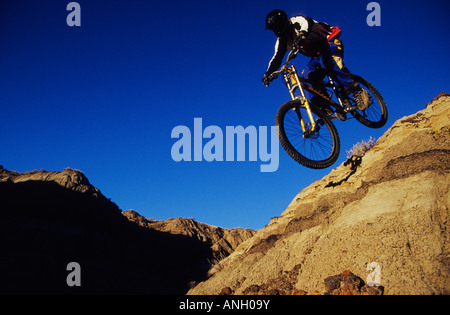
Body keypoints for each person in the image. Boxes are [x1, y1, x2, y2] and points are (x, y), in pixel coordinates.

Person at [262, 10, 367, 112]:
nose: (276, 30)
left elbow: (306, 22)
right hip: (317, 55)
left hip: (330, 41)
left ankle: (355, 90)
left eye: (276, 26)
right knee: (308, 74)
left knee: (327, 61)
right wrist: (268, 73)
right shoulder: (282, 41)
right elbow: (276, 58)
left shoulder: (295, 21)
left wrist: (302, 34)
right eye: (273, 28)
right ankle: (323, 106)